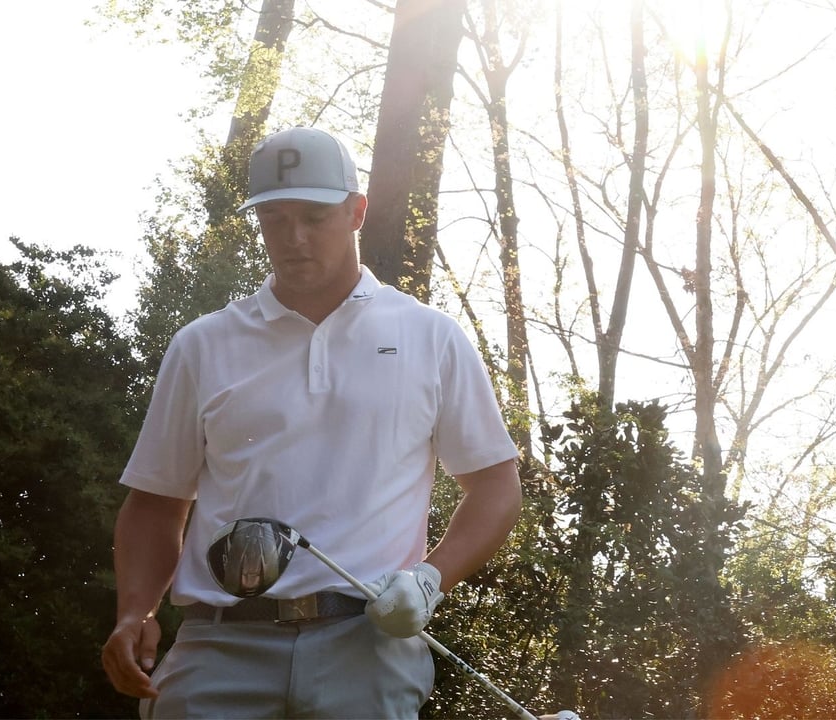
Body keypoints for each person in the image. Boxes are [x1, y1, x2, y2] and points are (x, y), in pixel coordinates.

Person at [100, 126, 523, 718]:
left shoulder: (431, 338)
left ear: (357, 212)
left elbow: (496, 486)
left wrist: (430, 580)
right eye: (274, 219)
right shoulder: (204, 345)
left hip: (369, 647)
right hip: (219, 645)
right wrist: (135, 612)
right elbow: (155, 503)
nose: (293, 238)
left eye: (315, 216)